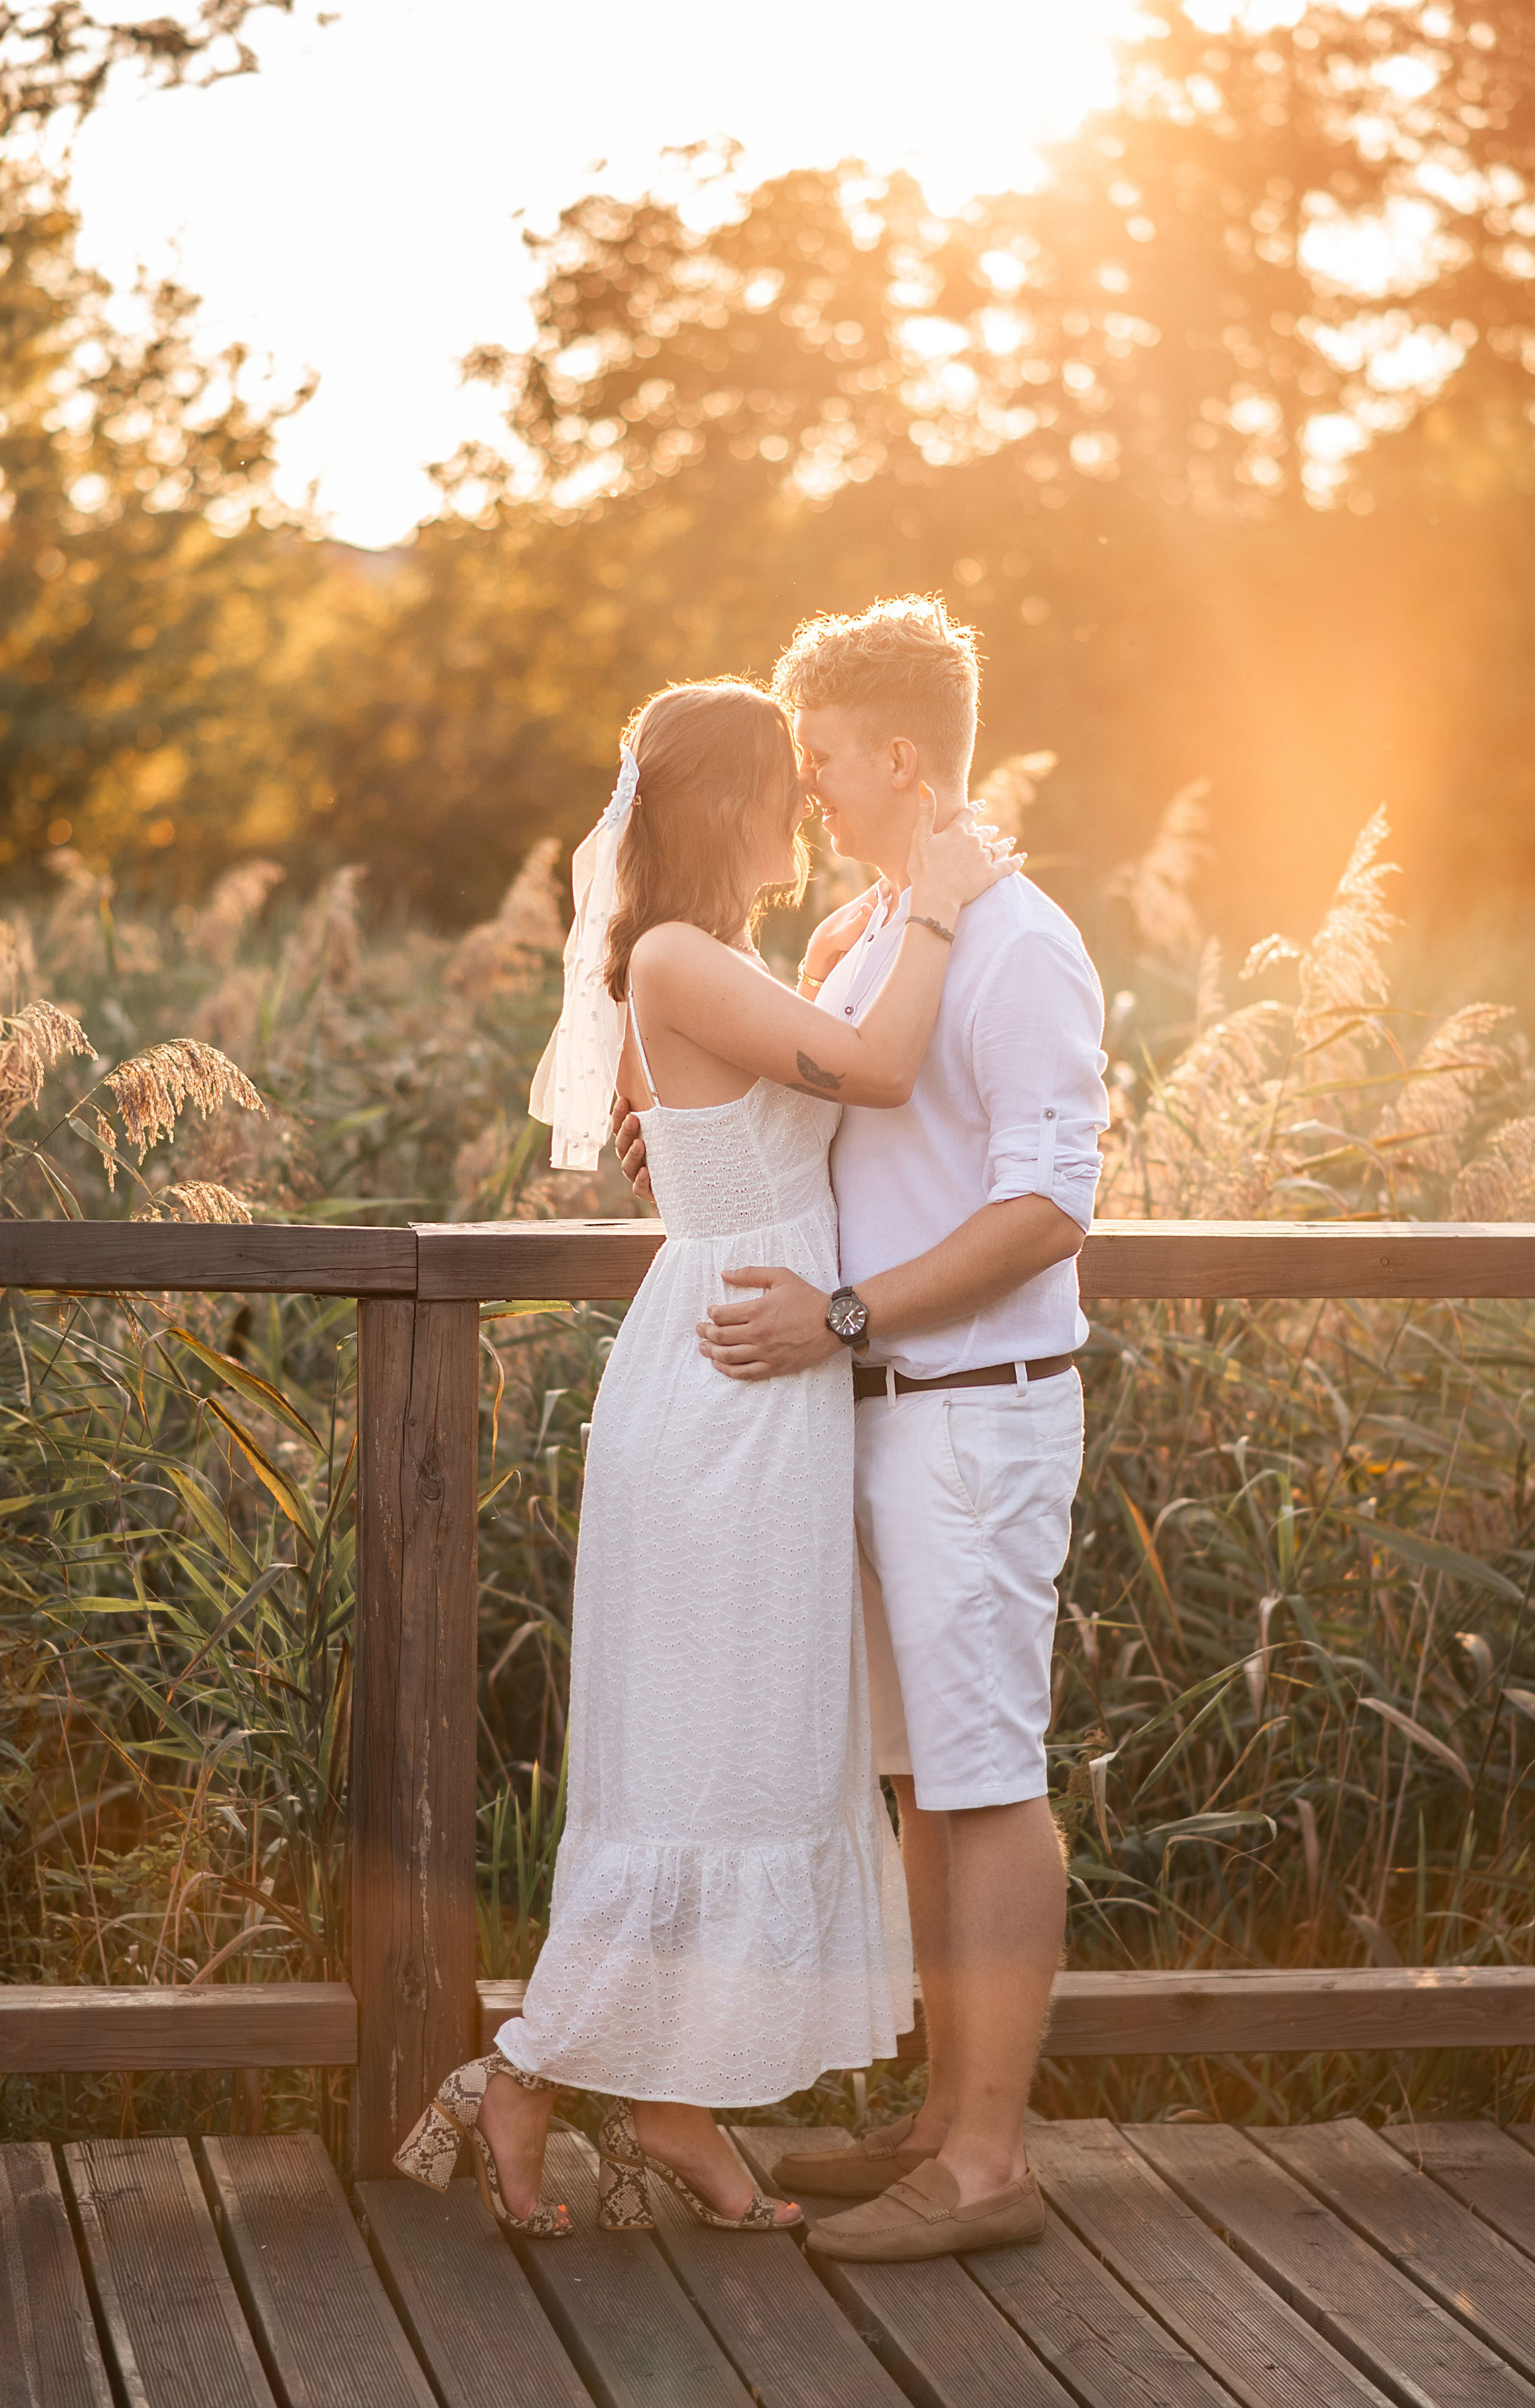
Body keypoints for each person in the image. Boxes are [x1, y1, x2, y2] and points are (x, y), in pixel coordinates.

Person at [393, 675, 1014, 2239]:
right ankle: (531, 2074)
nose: (806, 805)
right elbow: (874, 1071)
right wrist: (932, 907)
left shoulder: (718, 961)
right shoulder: (678, 955)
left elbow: (779, 1110)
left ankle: (667, 2102)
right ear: (723, 801)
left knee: (744, 1755)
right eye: (784, 783)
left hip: (772, 1372)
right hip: (731, 1391)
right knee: (696, 1764)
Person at [617, 599, 1108, 2263]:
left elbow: (1047, 1207)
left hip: (972, 1414)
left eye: (820, 759)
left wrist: (842, 1319)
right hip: (869, 1418)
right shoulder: (881, 930)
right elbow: (819, 1128)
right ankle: (931, 2127)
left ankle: (987, 2165)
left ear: (898, 755)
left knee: (985, 1777)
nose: (805, 788)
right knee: (920, 1781)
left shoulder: (1019, 936)